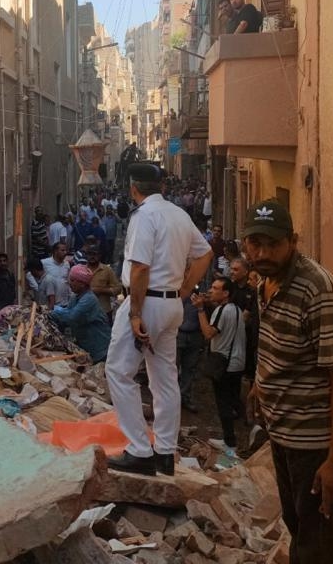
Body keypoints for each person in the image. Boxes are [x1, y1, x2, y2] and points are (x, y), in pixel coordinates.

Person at [243, 200, 333, 564]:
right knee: (298, 527)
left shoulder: (316, 290)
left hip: (312, 444)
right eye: (255, 244)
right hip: (281, 433)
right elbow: (277, 342)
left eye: (273, 244)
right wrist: (261, 385)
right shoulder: (265, 280)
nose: (263, 253)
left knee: (317, 546)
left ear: (292, 241)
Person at [105, 163, 213, 476]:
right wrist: (185, 289)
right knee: (164, 378)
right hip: (171, 305)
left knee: (118, 371)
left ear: (132, 188)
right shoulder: (179, 214)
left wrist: (136, 313)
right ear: (161, 187)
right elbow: (205, 253)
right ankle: (165, 452)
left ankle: (139, 450)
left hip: (146, 302)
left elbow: (139, 268)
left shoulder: (144, 216)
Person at [197, 277, 246, 452]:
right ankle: (250, 430)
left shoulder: (222, 311)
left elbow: (209, 333)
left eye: (216, 288)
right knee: (233, 398)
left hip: (224, 363)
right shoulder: (237, 310)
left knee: (223, 402)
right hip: (237, 362)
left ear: (226, 293)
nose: (211, 290)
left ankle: (230, 442)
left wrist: (200, 310)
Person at [51, 265, 111, 362]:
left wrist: (53, 313)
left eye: (73, 280)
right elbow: (66, 315)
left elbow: (71, 317)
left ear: (82, 284)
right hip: (86, 344)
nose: (69, 283)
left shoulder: (89, 299)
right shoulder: (75, 297)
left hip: (99, 348)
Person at [229, 257, 259, 383]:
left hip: (247, 337)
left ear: (245, 272)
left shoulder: (251, 290)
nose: (232, 272)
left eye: (235, 269)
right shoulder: (230, 287)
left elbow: (247, 316)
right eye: (231, 269)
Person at [176, 288, 205, 413]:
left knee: (190, 368)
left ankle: (184, 397)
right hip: (178, 334)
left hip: (195, 335)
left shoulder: (201, 295)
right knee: (172, 367)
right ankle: (172, 398)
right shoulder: (177, 293)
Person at [84, 244, 122, 317]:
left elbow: (118, 289)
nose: (92, 256)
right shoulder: (81, 270)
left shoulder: (107, 270)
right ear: (86, 255)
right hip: (85, 311)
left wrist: (101, 290)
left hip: (103, 311)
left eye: (95, 254)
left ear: (100, 255)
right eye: (90, 254)